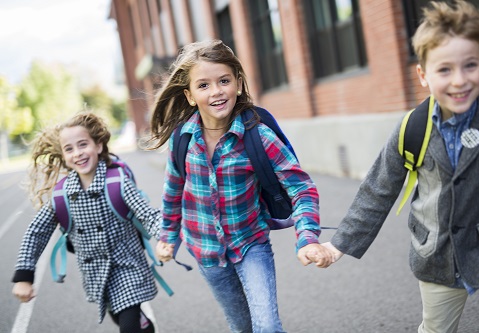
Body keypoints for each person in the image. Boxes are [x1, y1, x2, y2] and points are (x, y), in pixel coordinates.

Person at [311, 1, 479, 332]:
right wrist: (339, 243)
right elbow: (378, 190)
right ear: (423, 75)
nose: (459, 80)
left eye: (470, 65)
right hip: (437, 257)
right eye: (444, 70)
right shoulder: (413, 128)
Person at [146, 39, 332, 333]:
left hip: (250, 244)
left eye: (224, 81)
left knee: (267, 326)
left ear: (238, 83)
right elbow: (173, 192)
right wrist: (168, 236)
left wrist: (307, 237)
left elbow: (302, 189)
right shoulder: (182, 139)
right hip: (205, 251)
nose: (216, 91)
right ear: (190, 95)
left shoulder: (257, 136)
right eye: (203, 85)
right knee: (242, 327)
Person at [12, 111, 159, 333]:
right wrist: (24, 275)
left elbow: (146, 213)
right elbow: (37, 232)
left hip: (128, 266)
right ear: (63, 155)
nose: (77, 153)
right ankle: (145, 326)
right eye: (69, 149)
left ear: (98, 146)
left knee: (129, 325)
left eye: (83, 144)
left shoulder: (117, 182)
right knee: (121, 317)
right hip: (96, 273)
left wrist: (165, 237)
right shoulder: (61, 195)